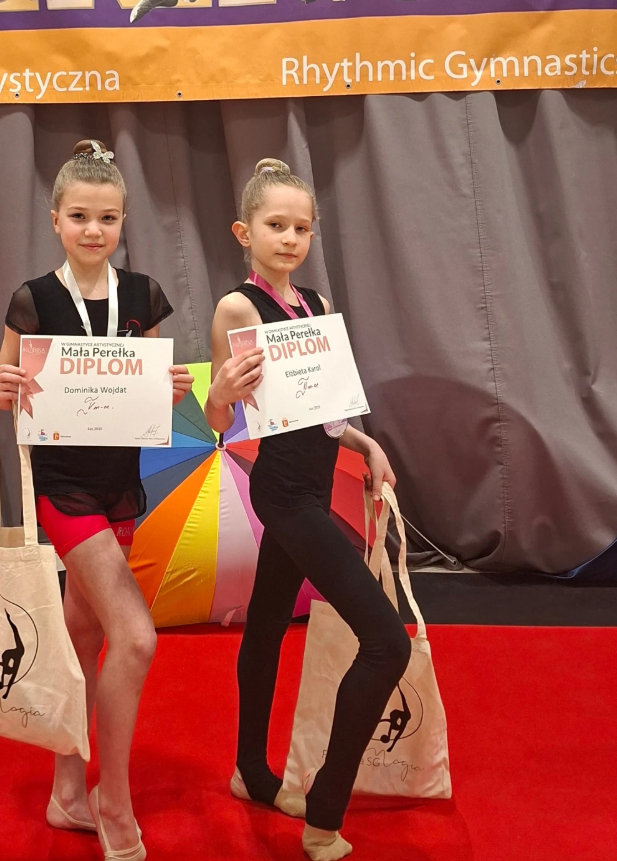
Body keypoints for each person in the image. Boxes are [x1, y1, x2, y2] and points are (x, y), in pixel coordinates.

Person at [0, 139, 194, 861]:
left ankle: (65, 791)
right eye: (79, 216)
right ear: (55, 219)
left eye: (107, 217)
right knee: (135, 637)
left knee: (84, 634)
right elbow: (1, 390)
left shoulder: (142, 296)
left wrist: (171, 389)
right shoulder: (33, 298)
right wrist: (3, 386)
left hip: (119, 488)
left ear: (123, 221)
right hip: (62, 487)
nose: (93, 229)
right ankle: (115, 800)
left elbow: (153, 400)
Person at [204, 159, 411, 861]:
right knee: (387, 643)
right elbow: (219, 419)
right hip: (284, 493)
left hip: (313, 485)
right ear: (245, 232)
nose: (289, 238)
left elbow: (322, 411)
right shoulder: (237, 308)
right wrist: (219, 393)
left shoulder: (316, 304)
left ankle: (250, 771)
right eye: (275, 225)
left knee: (266, 627)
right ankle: (323, 816)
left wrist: (365, 441)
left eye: (301, 228)